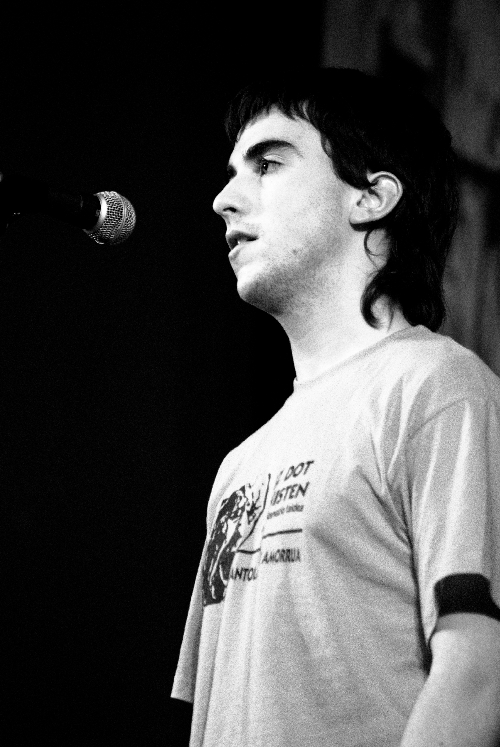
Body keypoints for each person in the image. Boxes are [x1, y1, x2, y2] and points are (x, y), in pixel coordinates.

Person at [171, 68, 500, 747]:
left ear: (371, 197)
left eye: (267, 164)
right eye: (232, 173)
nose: (223, 200)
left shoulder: (438, 387)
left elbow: (478, 674)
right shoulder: (238, 466)